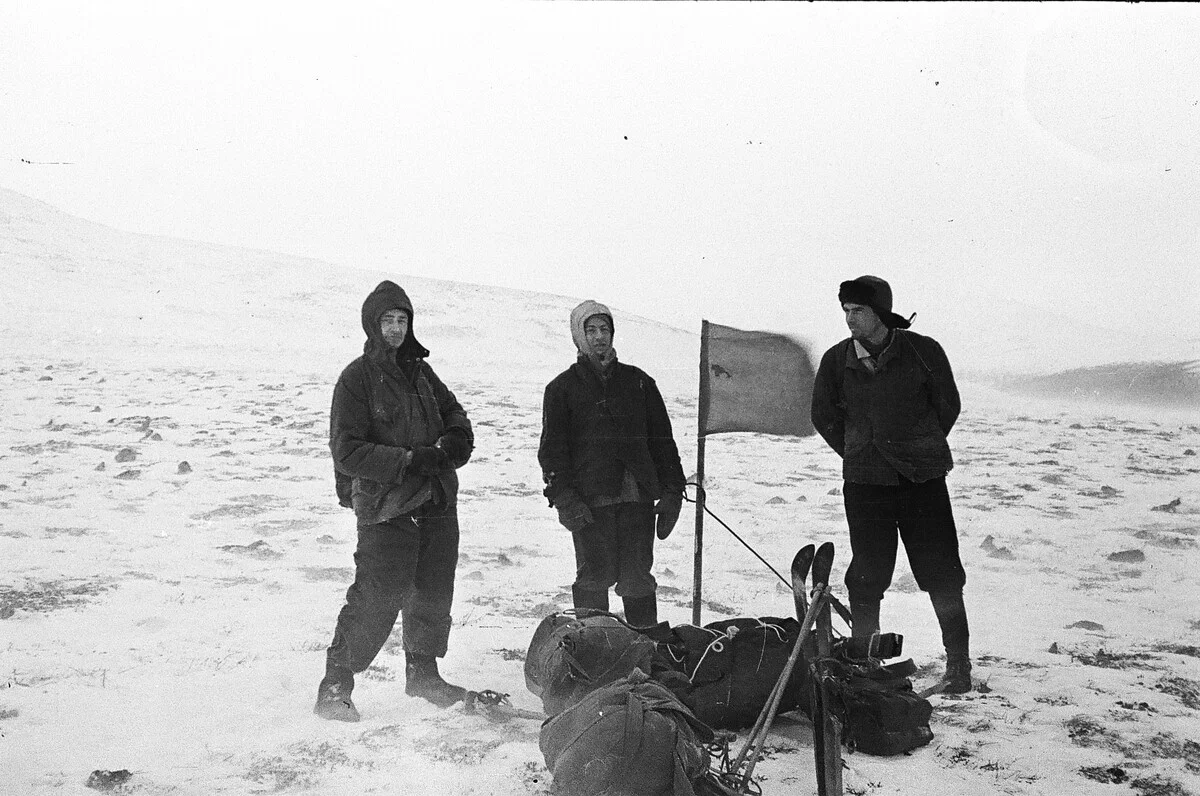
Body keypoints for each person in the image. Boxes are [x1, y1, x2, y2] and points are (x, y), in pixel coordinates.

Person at [314, 280, 475, 721]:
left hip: (436, 503)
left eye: (403, 320)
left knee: (433, 588)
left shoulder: (423, 374)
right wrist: (409, 460)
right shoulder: (356, 379)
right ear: (373, 324)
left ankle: (423, 675)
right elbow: (346, 450)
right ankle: (335, 684)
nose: (397, 328)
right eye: (388, 320)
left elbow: (455, 414)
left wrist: (456, 439)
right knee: (376, 595)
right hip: (387, 507)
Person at [810, 275, 972, 693]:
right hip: (866, 485)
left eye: (858, 310)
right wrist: (859, 452)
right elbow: (823, 416)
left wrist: (916, 446)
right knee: (867, 574)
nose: (849, 319)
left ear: (879, 313)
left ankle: (958, 667)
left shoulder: (923, 351)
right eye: (845, 310)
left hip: (922, 482)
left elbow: (947, 406)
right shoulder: (835, 360)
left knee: (942, 571)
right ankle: (869, 665)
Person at [538, 300, 686, 628]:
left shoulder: (639, 383)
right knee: (593, 578)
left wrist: (674, 491)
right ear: (578, 336)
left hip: (637, 501)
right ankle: (594, 656)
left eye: (604, 329)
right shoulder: (561, 389)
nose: (599, 337)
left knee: (636, 579)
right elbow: (552, 453)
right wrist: (565, 500)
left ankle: (645, 654)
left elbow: (663, 442)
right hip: (590, 505)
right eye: (590, 330)